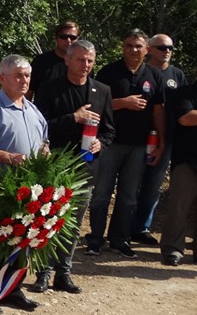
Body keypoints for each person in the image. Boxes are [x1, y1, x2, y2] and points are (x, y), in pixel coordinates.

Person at [0, 55, 49, 315]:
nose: (24, 80)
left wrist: (45, 152)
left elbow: (44, 141)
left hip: (27, 188)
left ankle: (12, 289)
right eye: (18, 75)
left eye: (27, 75)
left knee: (21, 238)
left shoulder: (34, 110)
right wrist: (8, 158)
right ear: (2, 78)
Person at [35, 39, 116, 293]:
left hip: (85, 167)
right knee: (49, 219)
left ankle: (64, 273)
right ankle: (43, 273)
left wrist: (100, 144)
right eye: (80, 59)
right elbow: (40, 126)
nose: (85, 65)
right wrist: (74, 118)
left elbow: (110, 131)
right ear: (67, 60)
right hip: (56, 164)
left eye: (90, 60)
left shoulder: (102, 90)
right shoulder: (50, 89)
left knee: (73, 223)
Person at [88, 29, 166, 259]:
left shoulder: (154, 75)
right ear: (123, 47)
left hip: (139, 145)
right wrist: (122, 103)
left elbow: (158, 111)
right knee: (101, 194)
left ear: (147, 50)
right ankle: (95, 239)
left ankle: (119, 240)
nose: (133, 49)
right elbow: (95, 105)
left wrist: (161, 142)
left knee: (129, 196)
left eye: (138, 46)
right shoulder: (109, 72)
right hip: (110, 143)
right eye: (129, 45)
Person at [159, 55, 197, 267]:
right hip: (189, 162)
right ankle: (173, 250)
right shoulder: (185, 93)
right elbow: (186, 119)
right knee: (179, 207)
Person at [131, 34, 186, 245]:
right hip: (138, 137)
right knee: (131, 184)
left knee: (153, 185)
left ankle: (141, 228)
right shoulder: (142, 72)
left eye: (171, 48)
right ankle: (122, 228)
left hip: (167, 138)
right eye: (162, 47)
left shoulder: (177, 75)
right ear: (150, 49)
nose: (167, 51)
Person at [29, 21, 82, 99]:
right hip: (44, 110)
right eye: (63, 37)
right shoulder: (41, 61)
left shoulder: (84, 63)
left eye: (72, 37)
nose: (68, 41)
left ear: (78, 39)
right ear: (56, 38)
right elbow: (28, 92)